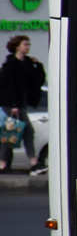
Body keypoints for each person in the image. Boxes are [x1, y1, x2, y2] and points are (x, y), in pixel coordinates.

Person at [0, 35, 46, 174]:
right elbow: (8, 86)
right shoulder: (10, 65)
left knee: (13, 133)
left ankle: (3, 164)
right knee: (23, 131)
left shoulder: (27, 63)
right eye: (25, 44)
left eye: (28, 44)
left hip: (22, 103)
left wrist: (38, 65)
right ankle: (33, 162)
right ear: (17, 46)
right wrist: (13, 104)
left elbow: (38, 80)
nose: (28, 47)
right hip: (11, 104)